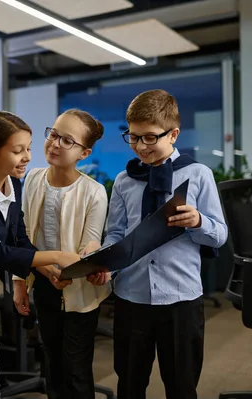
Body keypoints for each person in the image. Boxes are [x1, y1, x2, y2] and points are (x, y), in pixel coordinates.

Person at [84, 89, 228, 399]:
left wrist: (198, 221)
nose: (140, 146)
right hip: (131, 297)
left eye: (150, 137)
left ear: (173, 134)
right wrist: (105, 264)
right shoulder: (124, 180)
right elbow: (116, 234)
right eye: (133, 137)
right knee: (130, 383)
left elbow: (220, 235)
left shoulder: (198, 174)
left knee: (181, 385)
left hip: (181, 297)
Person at [0, 110, 81, 399]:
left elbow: (19, 239)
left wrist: (47, 271)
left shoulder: (13, 184)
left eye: (29, 148)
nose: (28, 157)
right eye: (18, 150)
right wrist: (56, 256)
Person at [11, 109, 111, 399]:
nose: (55, 143)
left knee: (77, 369)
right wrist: (21, 282)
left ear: (84, 152)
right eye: (53, 134)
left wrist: (91, 256)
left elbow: (90, 243)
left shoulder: (93, 191)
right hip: (43, 281)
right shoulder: (32, 179)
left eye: (67, 140)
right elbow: (23, 235)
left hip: (78, 287)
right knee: (52, 363)